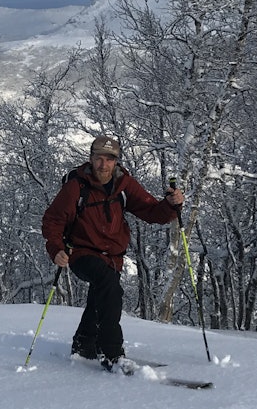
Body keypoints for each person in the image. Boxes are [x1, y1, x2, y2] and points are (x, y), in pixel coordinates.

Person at [41, 134, 184, 369]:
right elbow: (53, 220)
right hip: (81, 252)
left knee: (101, 294)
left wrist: (170, 204)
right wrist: (56, 248)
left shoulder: (124, 185)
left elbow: (151, 212)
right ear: (91, 158)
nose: (103, 164)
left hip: (113, 257)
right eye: (99, 158)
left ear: (116, 162)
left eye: (109, 159)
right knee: (109, 287)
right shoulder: (76, 186)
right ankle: (111, 353)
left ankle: (84, 344)